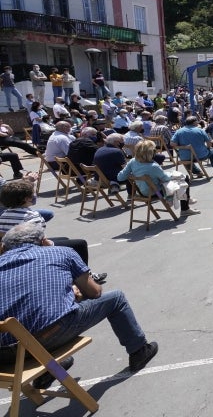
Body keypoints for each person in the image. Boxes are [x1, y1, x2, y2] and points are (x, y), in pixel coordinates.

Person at [0, 223, 157, 384]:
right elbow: (95, 292)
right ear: (43, 241)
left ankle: (50, 370)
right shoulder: (61, 253)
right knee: (116, 298)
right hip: (47, 338)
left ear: (4, 247)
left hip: (4, 355)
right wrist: (74, 294)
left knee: (34, 321)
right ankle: (139, 351)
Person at [117, 140, 199, 219]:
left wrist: (131, 174)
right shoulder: (153, 166)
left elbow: (120, 177)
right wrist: (172, 174)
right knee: (184, 178)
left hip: (142, 192)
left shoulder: (132, 162)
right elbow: (165, 178)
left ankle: (186, 197)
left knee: (177, 178)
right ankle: (185, 208)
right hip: (157, 192)